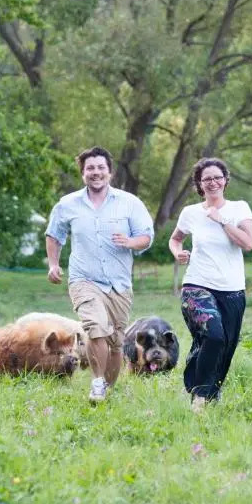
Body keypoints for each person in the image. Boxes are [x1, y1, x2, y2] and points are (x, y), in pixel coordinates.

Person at [45, 146, 154, 403]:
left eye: (100, 168)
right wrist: (53, 264)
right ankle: (96, 383)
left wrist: (130, 242)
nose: (96, 172)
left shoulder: (129, 203)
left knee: (115, 343)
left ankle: (108, 389)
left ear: (109, 172)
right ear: (83, 173)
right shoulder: (67, 204)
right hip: (84, 279)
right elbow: (54, 235)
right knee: (96, 329)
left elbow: (146, 236)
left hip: (119, 284)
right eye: (90, 168)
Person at [168, 157, 252, 413]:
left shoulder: (239, 208)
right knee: (214, 335)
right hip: (197, 284)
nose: (213, 182)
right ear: (199, 183)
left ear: (226, 180)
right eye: (206, 179)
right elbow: (175, 239)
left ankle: (208, 390)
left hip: (232, 290)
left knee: (224, 345)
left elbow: (248, 243)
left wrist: (222, 220)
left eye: (217, 177)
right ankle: (200, 396)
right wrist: (178, 252)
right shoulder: (190, 212)